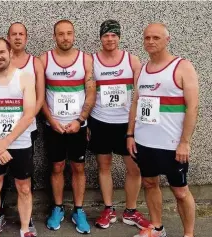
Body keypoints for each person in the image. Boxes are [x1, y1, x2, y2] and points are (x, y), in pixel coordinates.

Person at [128, 23, 198, 237]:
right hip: (144, 141)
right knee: (149, 183)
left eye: (156, 38)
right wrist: (130, 134)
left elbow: (193, 107)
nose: (150, 41)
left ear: (167, 40)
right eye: (147, 38)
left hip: (172, 145)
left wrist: (185, 141)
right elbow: (135, 104)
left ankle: (189, 234)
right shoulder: (141, 71)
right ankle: (157, 228)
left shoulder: (182, 66)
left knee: (180, 191)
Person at [89, 20, 151, 230]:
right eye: (106, 35)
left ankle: (131, 211)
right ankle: (108, 209)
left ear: (119, 37)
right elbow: (87, 92)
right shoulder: (92, 61)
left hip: (126, 124)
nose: (110, 39)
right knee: (104, 166)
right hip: (100, 121)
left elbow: (143, 93)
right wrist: (87, 121)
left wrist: (141, 122)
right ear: (101, 37)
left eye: (114, 35)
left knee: (134, 169)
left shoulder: (131, 60)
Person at [39, 20, 95, 234]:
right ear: (54, 36)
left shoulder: (85, 60)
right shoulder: (44, 60)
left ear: (74, 35)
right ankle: (58, 208)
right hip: (53, 125)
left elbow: (91, 91)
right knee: (57, 167)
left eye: (69, 33)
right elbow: (39, 94)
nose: (65, 38)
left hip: (78, 124)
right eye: (60, 34)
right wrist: (51, 121)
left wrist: (80, 120)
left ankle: (78, 210)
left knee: (79, 167)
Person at [0, 38, 36, 237]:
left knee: (24, 187)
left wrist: (5, 143)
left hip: (19, 143)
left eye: (2, 52)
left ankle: (25, 229)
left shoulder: (25, 78)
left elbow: (29, 114)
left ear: (10, 52)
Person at [0, 22, 45, 235]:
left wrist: (27, 119)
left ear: (26, 37)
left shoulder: (35, 63)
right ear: (8, 38)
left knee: (24, 175)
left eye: (21, 34)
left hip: (26, 129)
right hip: (0, 131)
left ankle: (27, 216)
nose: (17, 38)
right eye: (13, 34)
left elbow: (40, 95)